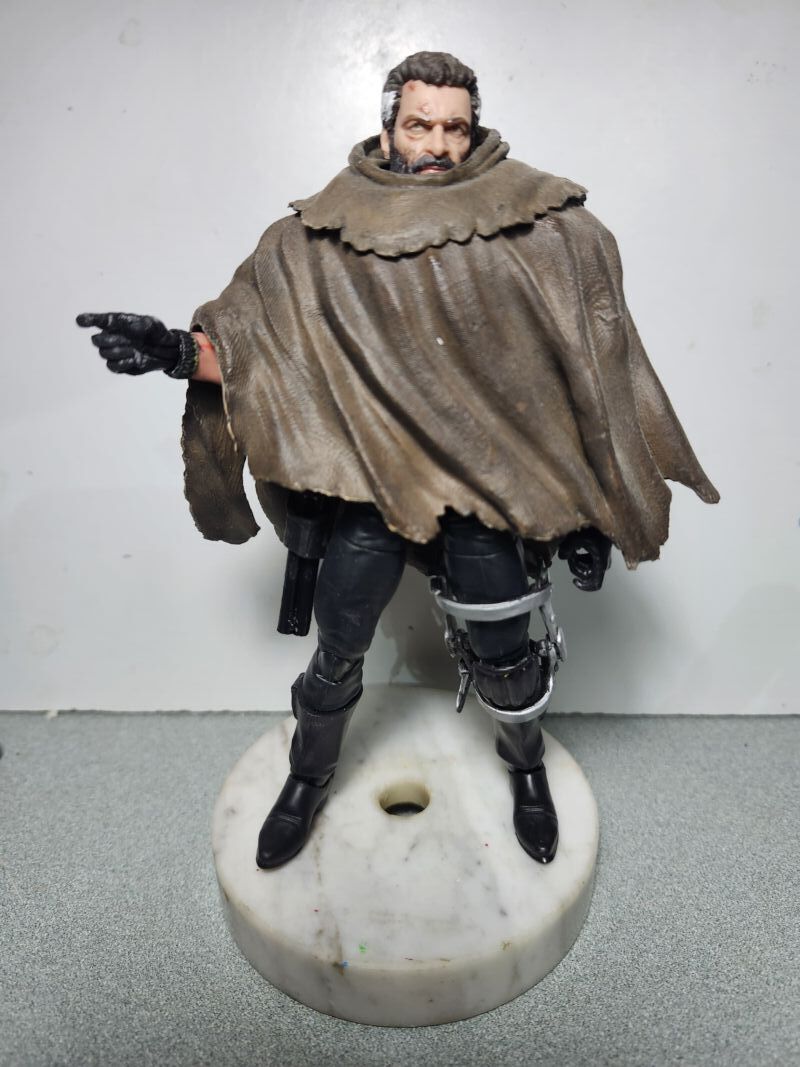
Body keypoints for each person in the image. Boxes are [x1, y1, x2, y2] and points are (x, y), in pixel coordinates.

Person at [77, 51, 718, 871]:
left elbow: (584, 377)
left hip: (485, 489)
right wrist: (175, 351)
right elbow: (252, 348)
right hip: (369, 490)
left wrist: (589, 512)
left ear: (474, 130)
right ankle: (309, 776)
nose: (438, 143)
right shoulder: (316, 238)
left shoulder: (538, 228)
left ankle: (525, 766)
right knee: (338, 645)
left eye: (455, 127)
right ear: (389, 127)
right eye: (420, 124)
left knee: (507, 652)